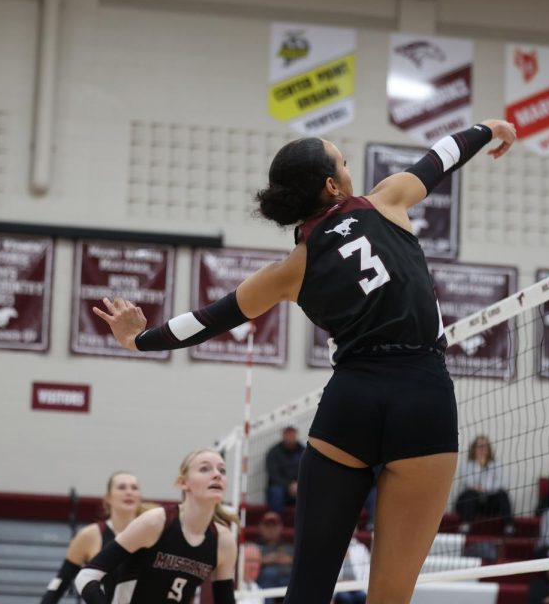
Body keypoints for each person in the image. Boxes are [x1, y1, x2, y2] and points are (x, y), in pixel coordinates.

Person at [93, 119, 518, 604]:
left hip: (352, 401)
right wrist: (490, 127)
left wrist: (136, 340)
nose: (349, 167)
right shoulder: (387, 200)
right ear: (333, 185)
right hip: (424, 399)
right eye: (342, 161)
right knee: (391, 596)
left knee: (308, 592)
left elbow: (205, 320)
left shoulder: (290, 269)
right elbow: (442, 155)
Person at [74, 448, 237, 604]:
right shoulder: (156, 522)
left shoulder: (224, 541)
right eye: (205, 469)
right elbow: (86, 576)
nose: (217, 475)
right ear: (183, 482)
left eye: (222, 470)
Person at [39, 471, 151, 604]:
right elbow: (60, 583)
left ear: (140, 496)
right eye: (122, 487)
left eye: (134, 488)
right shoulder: (89, 535)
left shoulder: (152, 531)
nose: (129, 492)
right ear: (108, 497)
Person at [455, 435, 515, 535]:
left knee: (503, 494)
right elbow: (468, 483)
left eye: (485, 446)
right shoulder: (467, 465)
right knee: (469, 495)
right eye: (480, 446)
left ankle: (509, 526)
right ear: (474, 448)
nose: (483, 449)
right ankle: (465, 524)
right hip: (472, 501)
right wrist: (480, 466)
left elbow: (501, 483)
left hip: (489, 502)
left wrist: (485, 489)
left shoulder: (496, 464)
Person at [265, 427, 304, 516]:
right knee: (276, 492)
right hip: (280, 487)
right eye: (287, 434)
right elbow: (273, 474)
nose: (290, 437)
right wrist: (288, 485)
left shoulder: (304, 451)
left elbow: (308, 472)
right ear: (283, 435)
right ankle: (276, 521)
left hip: (299, 487)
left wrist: (299, 484)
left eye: (292, 434)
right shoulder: (273, 452)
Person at [256, 511, 294, 594]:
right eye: (267, 525)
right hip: (266, 581)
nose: (271, 529)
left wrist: (291, 560)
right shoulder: (254, 548)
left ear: (281, 527)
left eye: (274, 526)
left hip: (288, 579)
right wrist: (265, 560)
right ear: (260, 527)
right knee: (268, 574)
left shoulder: (290, 547)